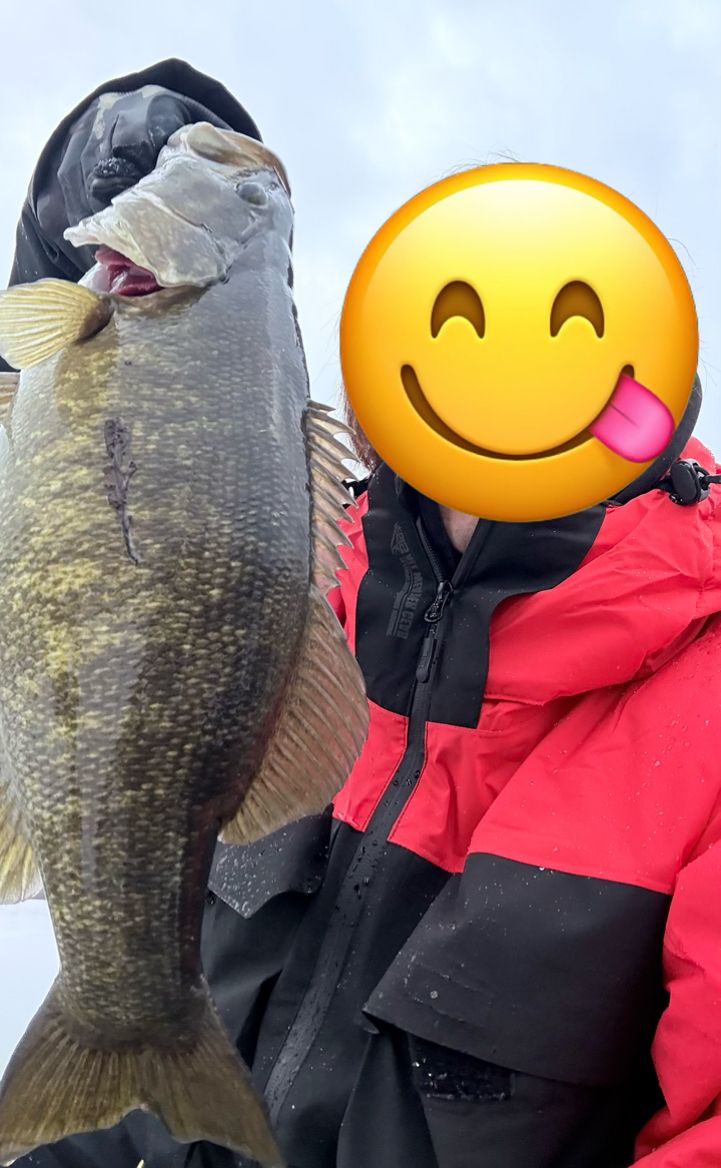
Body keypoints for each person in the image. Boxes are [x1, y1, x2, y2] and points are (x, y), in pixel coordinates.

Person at [6, 61, 721, 1168]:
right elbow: (73, 470)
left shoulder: (700, 715)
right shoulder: (294, 607)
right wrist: (77, 226)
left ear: (644, 394)